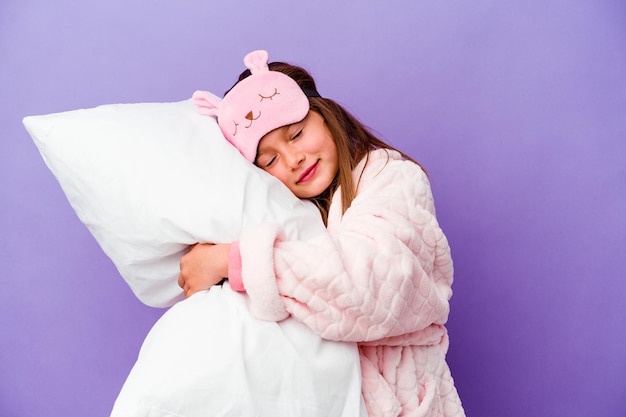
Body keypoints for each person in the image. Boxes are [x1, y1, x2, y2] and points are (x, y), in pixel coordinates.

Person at [179, 50, 465, 417]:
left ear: (325, 114)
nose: (293, 159)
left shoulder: (393, 178)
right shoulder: (291, 216)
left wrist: (228, 259)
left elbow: (369, 284)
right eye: (269, 160)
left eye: (296, 134)